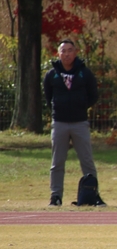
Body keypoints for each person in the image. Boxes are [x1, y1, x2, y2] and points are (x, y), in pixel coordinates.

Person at [44, 39, 103, 206]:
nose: (67, 54)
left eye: (70, 50)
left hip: (80, 123)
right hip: (60, 123)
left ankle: (93, 194)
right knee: (57, 161)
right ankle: (55, 196)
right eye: (63, 51)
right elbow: (49, 97)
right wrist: (58, 109)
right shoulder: (52, 75)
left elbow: (93, 95)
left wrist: (80, 107)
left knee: (86, 160)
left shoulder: (84, 73)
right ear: (58, 53)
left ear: (75, 52)